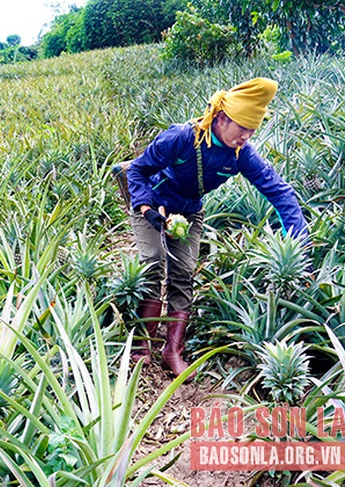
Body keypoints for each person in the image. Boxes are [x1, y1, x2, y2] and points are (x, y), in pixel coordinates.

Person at [125, 78, 308, 380]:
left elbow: (279, 192)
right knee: (154, 261)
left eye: (253, 131)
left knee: (183, 272)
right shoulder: (181, 138)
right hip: (152, 205)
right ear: (222, 119)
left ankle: (172, 350)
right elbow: (138, 169)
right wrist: (145, 208)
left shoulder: (241, 154)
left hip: (189, 212)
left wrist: (299, 244)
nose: (246, 137)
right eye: (242, 128)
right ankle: (143, 346)